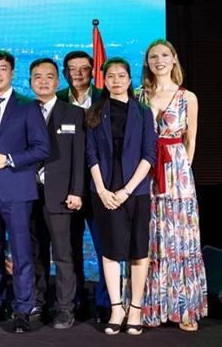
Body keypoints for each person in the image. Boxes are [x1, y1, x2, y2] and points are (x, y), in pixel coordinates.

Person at [0, 50, 50, 334]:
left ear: (12, 72)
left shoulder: (28, 106)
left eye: (2, 69)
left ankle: (22, 309)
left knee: (21, 254)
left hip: (17, 191)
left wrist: (9, 159)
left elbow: (42, 148)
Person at [137, 40, 207, 331]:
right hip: (145, 171)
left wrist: (181, 173)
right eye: (153, 56)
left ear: (175, 59)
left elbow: (190, 140)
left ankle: (184, 309)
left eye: (164, 55)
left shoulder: (187, 97)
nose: (159, 60)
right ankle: (150, 308)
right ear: (147, 62)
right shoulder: (139, 95)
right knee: (150, 238)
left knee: (179, 240)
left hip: (176, 176)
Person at [85, 58, 157, 336]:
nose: (116, 80)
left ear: (130, 79)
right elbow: (90, 153)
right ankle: (117, 308)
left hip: (135, 190)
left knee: (139, 251)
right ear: (104, 80)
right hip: (104, 191)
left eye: (122, 75)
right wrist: (103, 190)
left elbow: (149, 153)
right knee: (110, 251)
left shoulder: (143, 112)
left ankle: (136, 308)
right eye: (111, 76)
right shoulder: (94, 111)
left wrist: (127, 190)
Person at [28, 59, 85, 330]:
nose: (43, 81)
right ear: (29, 82)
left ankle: (64, 308)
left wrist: (77, 191)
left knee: (63, 255)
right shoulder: (22, 112)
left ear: (58, 81)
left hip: (62, 196)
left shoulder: (73, 114)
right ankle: (38, 303)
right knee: (35, 254)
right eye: (37, 77)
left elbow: (79, 158)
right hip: (28, 194)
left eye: (49, 76)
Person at [57, 50, 109, 322]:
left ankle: (105, 301)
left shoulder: (105, 98)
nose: (77, 73)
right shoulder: (57, 101)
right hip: (68, 188)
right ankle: (76, 300)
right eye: (72, 68)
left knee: (104, 248)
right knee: (70, 247)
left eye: (83, 68)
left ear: (92, 71)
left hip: (100, 187)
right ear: (65, 72)